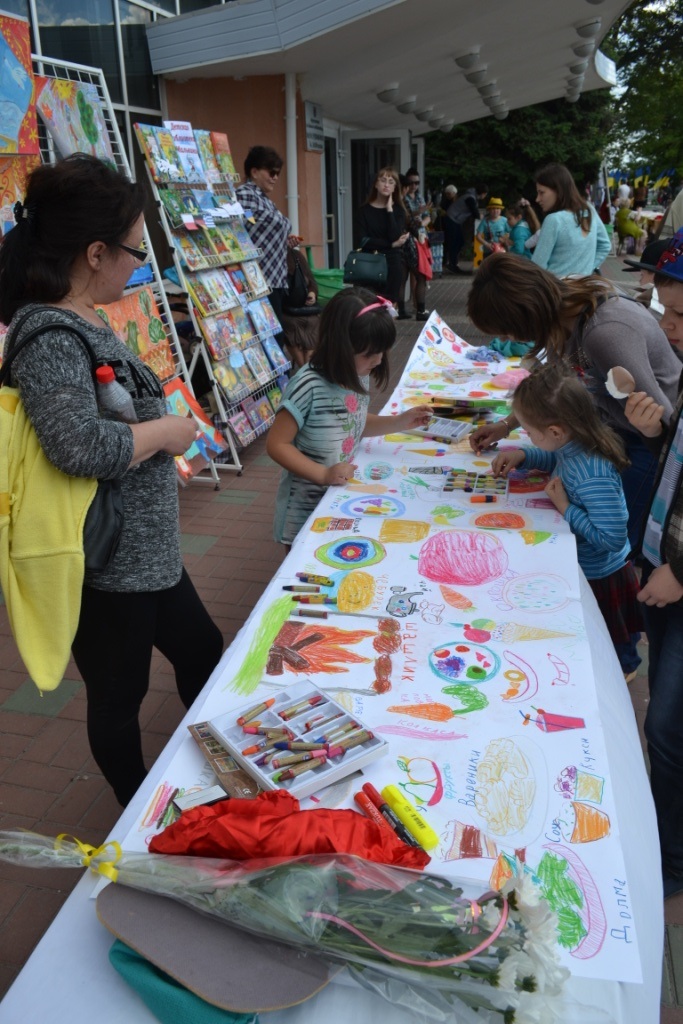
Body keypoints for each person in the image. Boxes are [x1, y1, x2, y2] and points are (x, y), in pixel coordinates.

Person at [0, 154, 223, 806]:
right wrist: (166, 433)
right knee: (120, 697)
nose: (139, 266)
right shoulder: (50, 332)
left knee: (201, 650)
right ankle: (140, 809)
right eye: (134, 251)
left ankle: (205, 774)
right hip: (106, 562)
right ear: (95, 252)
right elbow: (77, 446)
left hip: (146, 552)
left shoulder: (86, 318)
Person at [467, 253, 681, 553]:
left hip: (646, 446)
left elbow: (664, 427)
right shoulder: (563, 305)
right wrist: (507, 425)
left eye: (506, 331)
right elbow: (556, 381)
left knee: (620, 542)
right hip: (619, 434)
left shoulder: (604, 333)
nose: (509, 338)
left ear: (525, 315)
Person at [492, 362, 642, 678]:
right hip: (586, 565)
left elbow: (612, 537)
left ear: (555, 431)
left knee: (614, 641)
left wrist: (565, 507)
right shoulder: (574, 445)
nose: (527, 436)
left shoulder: (591, 474)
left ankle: (624, 673)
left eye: (529, 433)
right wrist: (524, 456)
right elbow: (556, 456)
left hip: (602, 574)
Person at [266, 288, 431, 546]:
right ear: (340, 346)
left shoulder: (356, 374)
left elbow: (354, 422)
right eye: (369, 354)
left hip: (339, 502)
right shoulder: (307, 386)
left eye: (382, 351)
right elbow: (277, 444)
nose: (378, 360)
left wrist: (399, 422)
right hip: (305, 512)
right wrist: (323, 474)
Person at [621, 228, 683, 896]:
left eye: (681, 314)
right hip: (665, 560)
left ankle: (671, 865)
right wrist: (657, 430)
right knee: (662, 721)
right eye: (665, 310)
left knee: (668, 727)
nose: (667, 328)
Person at [236, 145, 294, 338]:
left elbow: (263, 229)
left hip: (274, 278)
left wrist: (284, 240)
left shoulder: (265, 200)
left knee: (275, 337)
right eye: (271, 172)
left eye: (278, 173)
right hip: (259, 279)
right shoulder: (245, 194)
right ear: (254, 172)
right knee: (270, 338)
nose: (275, 177)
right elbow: (249, 224)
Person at [532, 163, 611, 277]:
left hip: (556, 286)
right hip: (584, 286)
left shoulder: (554, 220)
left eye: (542, 192)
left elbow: (537, 267)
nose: (537, 199)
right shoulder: (589, 210)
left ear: (558, 190)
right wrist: (586, 271)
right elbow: (605, 246)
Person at [354, 167, 409, 304]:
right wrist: (390, 245)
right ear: (376, 184)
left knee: (389, 307)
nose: (386, 185)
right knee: (367, 305)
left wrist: (389, 210)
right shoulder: (364, 211)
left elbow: (394, 235)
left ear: (395, 188)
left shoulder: (398, 211)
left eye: (391, 182)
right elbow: (363, 241)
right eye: (383, 180)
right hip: (368, 263)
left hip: (392, 264)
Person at [279, 246, 320, 369]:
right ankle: (305, 369)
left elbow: (312, 282)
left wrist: (312, 294)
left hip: (302, 309)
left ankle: (305, 370)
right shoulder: (280, 260)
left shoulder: (295, 256)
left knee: (312, 323)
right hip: (290, 310)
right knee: (292, 325)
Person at [443, 183, 489, 274]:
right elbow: (475, 213)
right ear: (483, 193)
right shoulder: (470, 198)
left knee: (458, 241)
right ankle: (452, 264)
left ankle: (452, 263)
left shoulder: (470, 196)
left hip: (454, 220)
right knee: (456, 242)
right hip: (452, 219)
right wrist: (480, 216)